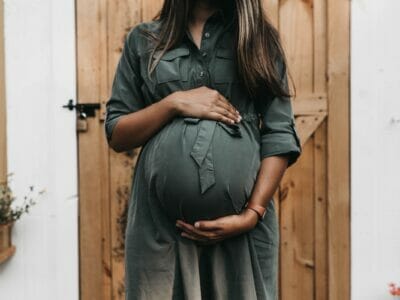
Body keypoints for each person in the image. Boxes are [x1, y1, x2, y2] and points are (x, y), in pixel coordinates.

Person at [104, 0, 302, 299]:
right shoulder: (143, 40)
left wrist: (251, 213)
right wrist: (173, 103)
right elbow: (117, 134)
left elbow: (280, 133)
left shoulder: (258, 40)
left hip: (242, 230)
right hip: (161, 231)